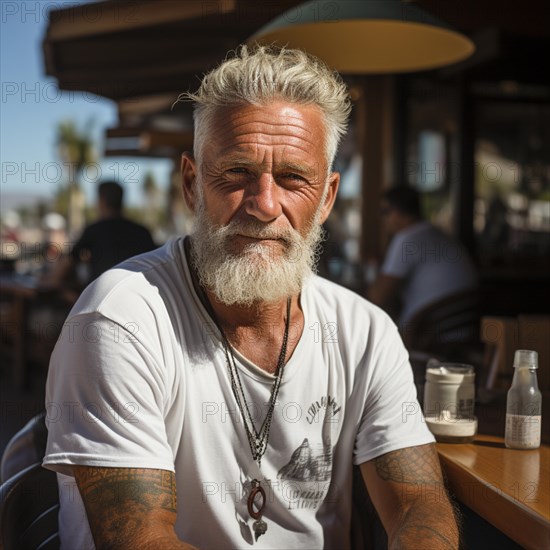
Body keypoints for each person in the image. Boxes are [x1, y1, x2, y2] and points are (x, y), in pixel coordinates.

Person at [43, 46, 459, 549]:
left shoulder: (364, 330)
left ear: (326, 198)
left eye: (292, 179)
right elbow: (140, 539)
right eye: (237, 173)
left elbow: (420, 505)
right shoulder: (119, 318)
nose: (264, 205)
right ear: (192, 185)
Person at [368, 185, 478, 328]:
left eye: (384, 211)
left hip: (432, 335)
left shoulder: (407, 238)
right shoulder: (437, 235)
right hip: (464, 329)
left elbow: (377, 297)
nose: (382, 219)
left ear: (399, 212)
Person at [42, 180, 156, 289]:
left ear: (102, 201)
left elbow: (67, 264)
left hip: (99, 300)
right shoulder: (142, 232)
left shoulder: (93, 231)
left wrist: (49, 280)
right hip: (137, 298)